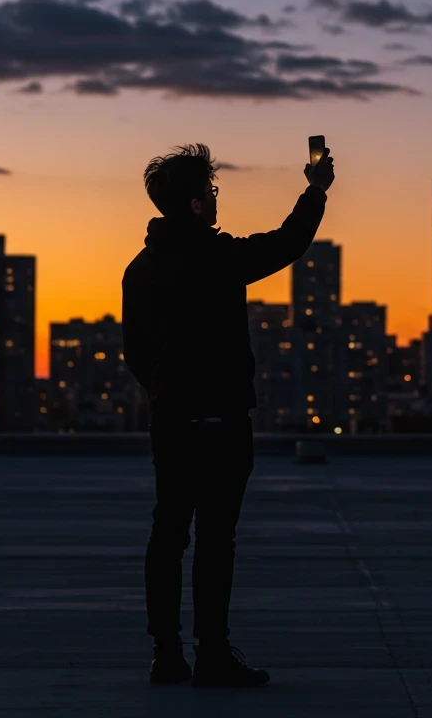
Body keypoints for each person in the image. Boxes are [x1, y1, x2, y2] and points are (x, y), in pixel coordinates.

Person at [121, 142, 335, 688]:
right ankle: (212, 654)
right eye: (212, 194)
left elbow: (135, 353)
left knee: (168, 533)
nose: (216, 202)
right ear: (196, 205)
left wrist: (166, 391)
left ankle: (165, 656)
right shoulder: (220, 259)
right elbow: (287, 244)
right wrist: (314, 191)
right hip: (221, 421)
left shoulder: (139, 270)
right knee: (216, 539)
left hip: (171, 422)